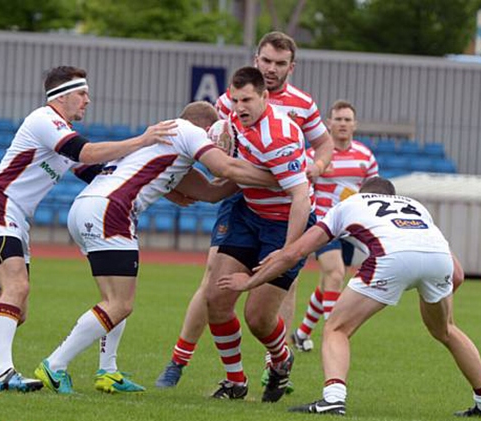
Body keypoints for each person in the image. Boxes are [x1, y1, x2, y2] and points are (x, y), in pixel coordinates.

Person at [0, 65, 177, 392]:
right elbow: (85, 152)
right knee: (16, 288)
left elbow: (98, 172)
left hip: (15, 217)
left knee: (17, 307)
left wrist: (168, 185)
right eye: (82, 93)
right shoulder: (45, 120)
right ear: (61, 96)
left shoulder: (61, 132)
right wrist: (142, 139)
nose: (88, 99)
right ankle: (2, 373)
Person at [34, 100, 281, 395]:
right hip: (112, 211)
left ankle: (108, 371)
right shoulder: (187, 130)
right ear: (205, 128)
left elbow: (213, 193)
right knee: (120, 304)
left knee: (111, 300)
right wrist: (279, 176)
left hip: (87, 207)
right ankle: (55, 365)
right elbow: (224, 167)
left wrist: (248, 181)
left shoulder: (166, 145)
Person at [218, 177, 481, 417]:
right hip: (439, 261)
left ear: (362, 192)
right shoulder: (416, 207)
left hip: (391, 258)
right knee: (446, 330)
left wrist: (250, 282)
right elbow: (458, 275)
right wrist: (434, 291)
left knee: (336, 327)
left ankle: (333, 400)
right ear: (392, 196)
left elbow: (294, 253)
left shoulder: (350, 204)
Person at [156, 30, 333, 390]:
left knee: (259, 312)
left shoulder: (291, 119)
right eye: (265, 60)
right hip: (245, 203)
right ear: (255, 60)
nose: (271, 68)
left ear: (289, 69)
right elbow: (210, 145)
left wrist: (311, 169)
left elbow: (309, 171)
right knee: (215, 288)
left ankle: (278, 362)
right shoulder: (230, 105)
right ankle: (213, 372)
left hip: (285, 213)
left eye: (279, 63)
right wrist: (170, 184)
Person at [195, 66, 313, 403]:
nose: (240, 107)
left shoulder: (279, 136)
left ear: (265, 97)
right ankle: (235, 382)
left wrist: (289, 251)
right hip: (249, 213)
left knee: (258, 319)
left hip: (284, 223)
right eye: (235, 100)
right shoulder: (232, 121)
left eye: (247, 99)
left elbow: (301, 198)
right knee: (215, 299)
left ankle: (281, 359)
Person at [291, 99, 378, 352]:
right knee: (337, 273)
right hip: (323, 224)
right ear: (328, 123)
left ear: (355, 124)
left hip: (352, 228)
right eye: (338, 119)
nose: (342, 124)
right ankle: (333, 332)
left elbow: (373, 193)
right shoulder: (315, 155)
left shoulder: (365, 157)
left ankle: (301, 333)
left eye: (347, 119)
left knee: (329, 280)